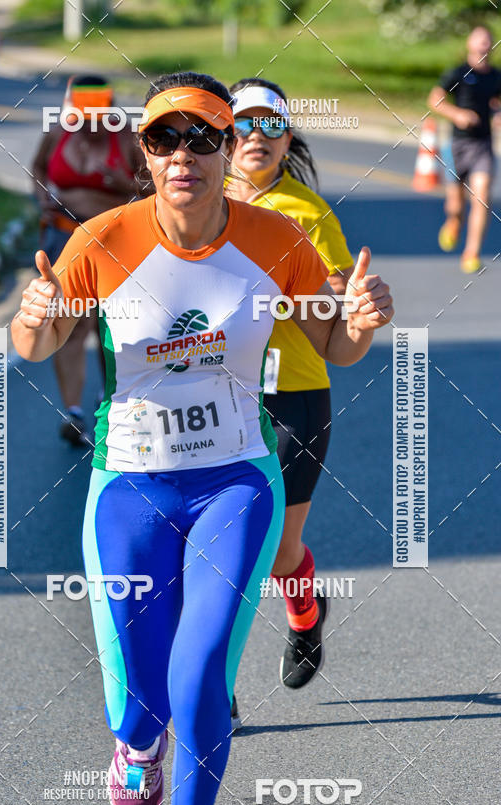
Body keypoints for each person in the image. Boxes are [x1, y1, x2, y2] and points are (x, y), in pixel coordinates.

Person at [11, 71, 393, 805]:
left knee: (202, 674)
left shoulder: (275, 238)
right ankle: (135, 745)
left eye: (202, 137)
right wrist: (34, 312)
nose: (183, 154)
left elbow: (337, 347)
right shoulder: (103, 240)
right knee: (144, 702)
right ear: (143, 153)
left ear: (225, 151)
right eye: (163, 138)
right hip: (129, 490)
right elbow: (35, 346)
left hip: (235, 485)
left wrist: (359, 321)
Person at [225, 77, 355, 705]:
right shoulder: (193, 198)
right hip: (213, 396)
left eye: (270, 124)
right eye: (244, 123)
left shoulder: (309, 212)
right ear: (222, 133)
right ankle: (210, 685)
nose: (256, 135)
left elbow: (335, 304)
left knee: (278, 555)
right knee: (216, 554)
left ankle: (305, 617)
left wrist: (348, 303)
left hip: (295, 394)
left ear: (287, 137)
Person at [32, 74, 142, 445]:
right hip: (64, 236)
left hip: (113, 241)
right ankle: (74, 413)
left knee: (108, 325)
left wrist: (122, 184)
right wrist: (42, 196)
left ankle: (109, 403)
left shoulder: (127, 137)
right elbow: (38, 169)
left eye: (99, 114)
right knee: (70, 324)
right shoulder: (57, 132)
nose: (92, 123)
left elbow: (156, 188)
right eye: (84, 115)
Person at [428, 25, 501, 273]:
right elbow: (435, 99)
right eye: (479, 40)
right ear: (470, 43)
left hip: (483, 146)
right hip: (457, 145)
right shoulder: (458, 72)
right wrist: (457, 114)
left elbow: (498, 102)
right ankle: (453, 221)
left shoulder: (495, 76)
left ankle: (472, 252)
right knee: (456, 205)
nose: (483, 45)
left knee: (481, 198)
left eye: (487, 41)